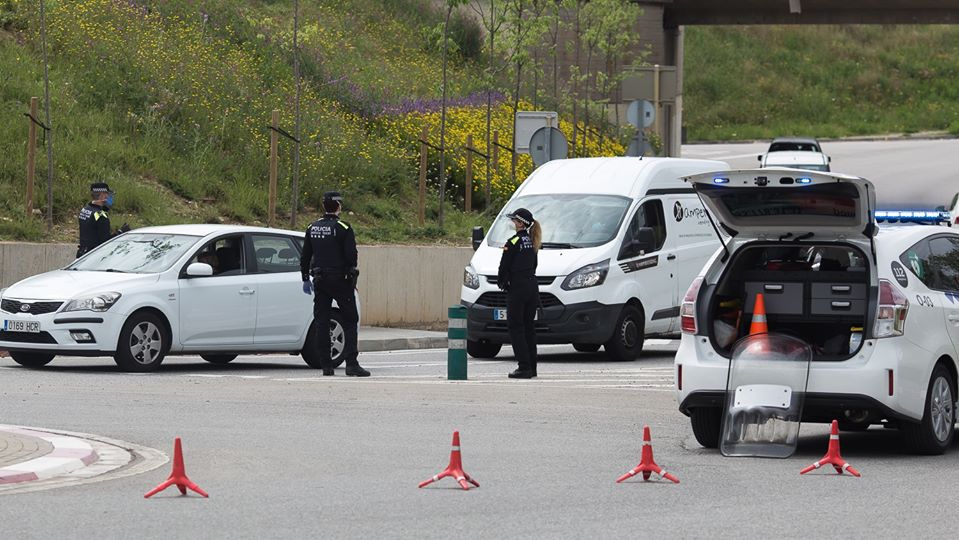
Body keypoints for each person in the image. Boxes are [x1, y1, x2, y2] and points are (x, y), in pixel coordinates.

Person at [299, 191, 369, 377]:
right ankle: (352, 363)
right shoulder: (343, 227)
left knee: (322, 321)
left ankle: (326, 365)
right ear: (338, 206)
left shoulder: (312, 227)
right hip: (340, 280)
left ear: (324, 206)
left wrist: (305, 277)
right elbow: (351, 257)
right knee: (350, 319)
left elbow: (305, 255)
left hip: (320, 280)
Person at [497, 207, 542, 379]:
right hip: (532, 287)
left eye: (514, 220)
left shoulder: (514, 242)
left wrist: (502, 283)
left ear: (520, 223)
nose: (513, 223)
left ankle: (524, 367)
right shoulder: (533, 242)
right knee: (529, 327)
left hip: (518, 289)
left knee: (516, 328)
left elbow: (504, 266)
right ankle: (532, 367)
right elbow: (534, 266)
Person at [77, 182, 129, 258]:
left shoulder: (85, 209)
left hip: (82, 254)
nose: (109, 197)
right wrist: (121, 232)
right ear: (102, 196)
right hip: (93, 256)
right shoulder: (101, 216)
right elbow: (105, 242)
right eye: (107, 194)